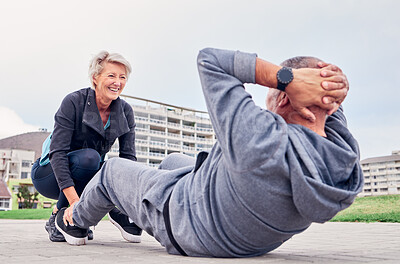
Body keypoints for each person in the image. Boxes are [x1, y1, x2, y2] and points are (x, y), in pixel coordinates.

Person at [54, 48, 363, 257]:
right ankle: (128, 211)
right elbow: (329, 109)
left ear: (285, 98)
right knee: (173, 161)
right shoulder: (341, 156)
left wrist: (287, 79)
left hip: (187, 226)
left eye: (273, 93)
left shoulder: (260, 137)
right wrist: (330, 84)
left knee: (111, 171)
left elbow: (211, 60)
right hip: (247, 236)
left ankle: (74, 221)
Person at [31, 51, 142, 243]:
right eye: (111, 75)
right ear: (95, 78)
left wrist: (125, 203)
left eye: (122, 77)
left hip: (86, 172)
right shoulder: (73, 102)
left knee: (111, 169)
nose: (118, 82)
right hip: (48, 173)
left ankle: (115, 212)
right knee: (89, 158)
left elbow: (128, 160)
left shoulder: (125, 111)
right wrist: (75, 202)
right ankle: (59, 216)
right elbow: (58, 154)